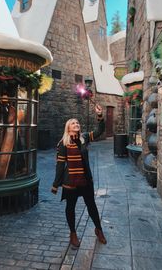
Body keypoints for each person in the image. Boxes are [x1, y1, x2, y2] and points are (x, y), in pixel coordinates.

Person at [51, 104, 107, 248]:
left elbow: (100, 131)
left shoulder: (84, 138)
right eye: (73, 123)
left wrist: (99, 115)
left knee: (91, 206)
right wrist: (56, 184)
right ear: (68, 128)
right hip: (71, 181)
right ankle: (73, 234)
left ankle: (99, 229)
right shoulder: (63, 143)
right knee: (71, 207)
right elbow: (60, 164)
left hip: (86, 180)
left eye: (77, 122)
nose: (76, 124)